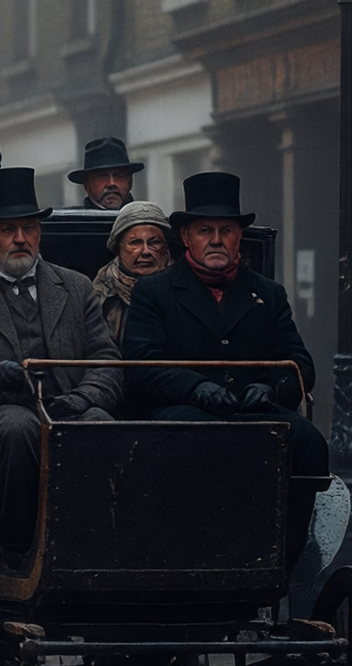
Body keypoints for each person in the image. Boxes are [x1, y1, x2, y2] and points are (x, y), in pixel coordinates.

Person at [121, 171, 327, 563]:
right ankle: (189, 556)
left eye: (226, 230)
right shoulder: (155, 291)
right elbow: (143, 363)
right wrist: (196, 388)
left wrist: (271, 390)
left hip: (251, 410)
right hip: (181, 412)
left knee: (308, 441)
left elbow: (299, 363)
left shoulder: (267, 292)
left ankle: (280, 561)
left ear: (238, 237)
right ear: (186, 238)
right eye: (205, 230)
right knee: (198, 439)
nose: (216, 239)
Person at [0, 167, 122, 557]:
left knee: (101, 426)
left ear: (39, 232)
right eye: (7, 230)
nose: (20, 239)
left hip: (66, 410)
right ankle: (16, 556)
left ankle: (95, 550)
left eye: (29, 228)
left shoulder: (77, 287)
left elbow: (108, 361)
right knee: (17, 428)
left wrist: (84, 399)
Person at [89, 200, 173, 349]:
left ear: (166, 247)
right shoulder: (97, 295)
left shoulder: (186, 285)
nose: (145, 251)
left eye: (154, 242)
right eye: (135, 242)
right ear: (118, 248)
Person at [67, 135, 147, 211]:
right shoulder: (72, 223)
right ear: (86, 185)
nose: (111, 184)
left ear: (130, 182)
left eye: (119, 176)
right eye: (102, 176)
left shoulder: (145, 220)